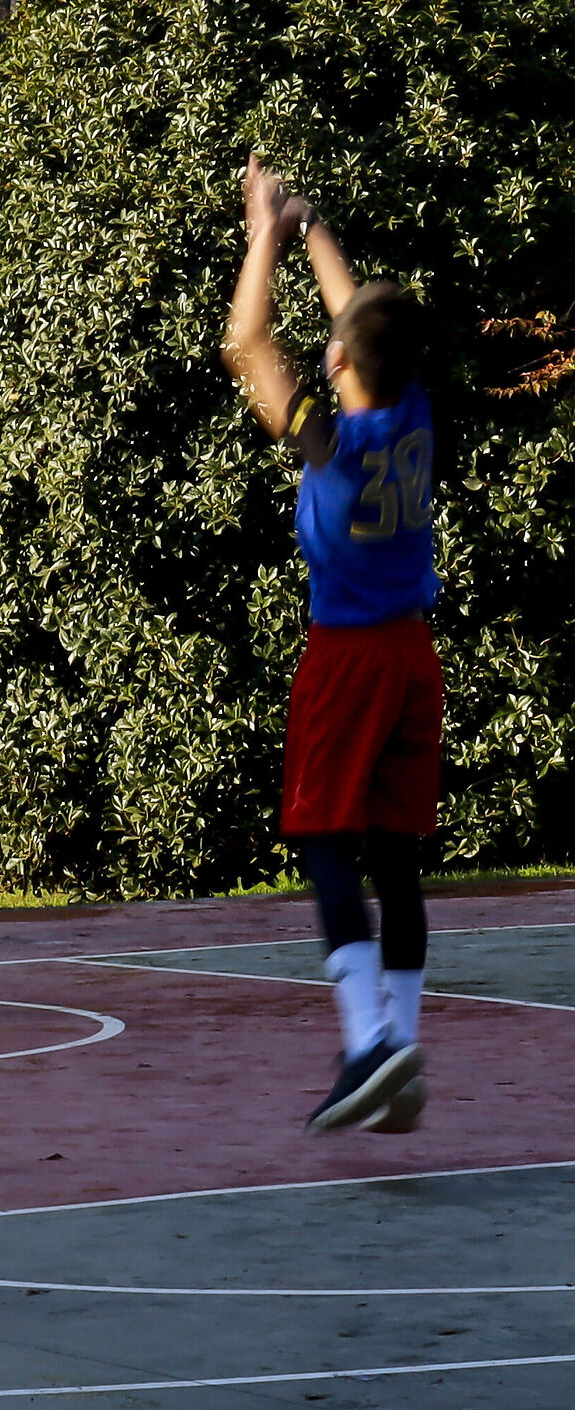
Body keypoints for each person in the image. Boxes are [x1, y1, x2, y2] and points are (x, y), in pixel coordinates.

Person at [223, 155, 442, 1134]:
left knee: (320, 837)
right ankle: (403, 1043)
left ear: (341, 366)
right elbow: (359, 319)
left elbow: (244, 341)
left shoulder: (333, 444)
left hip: (346, 657)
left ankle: (365, 1044)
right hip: (411, 658)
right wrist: (314, 228)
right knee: (396, 858)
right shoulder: (410, 413)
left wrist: (261, 227)